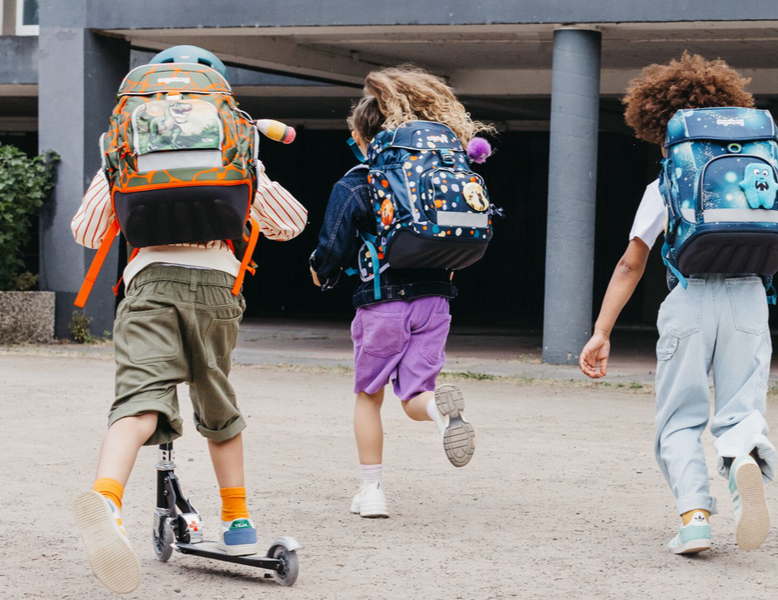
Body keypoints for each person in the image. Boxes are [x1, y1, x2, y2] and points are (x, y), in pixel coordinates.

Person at [70, 46, 307, 595]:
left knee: (139, 402)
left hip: (150, 284)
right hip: (217, 288)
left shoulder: (124, 142)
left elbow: (86, 231)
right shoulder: (235, 142)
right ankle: (238, 522)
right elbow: (289, 223)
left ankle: (107, 501)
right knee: (218, 405)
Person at [577, 53, 778, 555]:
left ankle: (693, 519)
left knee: (679, 418)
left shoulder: (666, 182)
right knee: (742, 408)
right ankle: (741, 458)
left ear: (663, 130)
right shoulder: (770, 171)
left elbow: (630, 264)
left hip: (688, 300)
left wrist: (601, 332)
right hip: (750, 299)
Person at [309, 66, 495, 519]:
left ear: (363, 137)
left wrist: (321, 272)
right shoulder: (444, 169)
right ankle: (440, 413)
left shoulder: (357, 181)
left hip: (382, 303)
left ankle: (372, 491)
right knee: (414, 397)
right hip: (435, 301)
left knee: (369, 395)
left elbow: (331, 247)